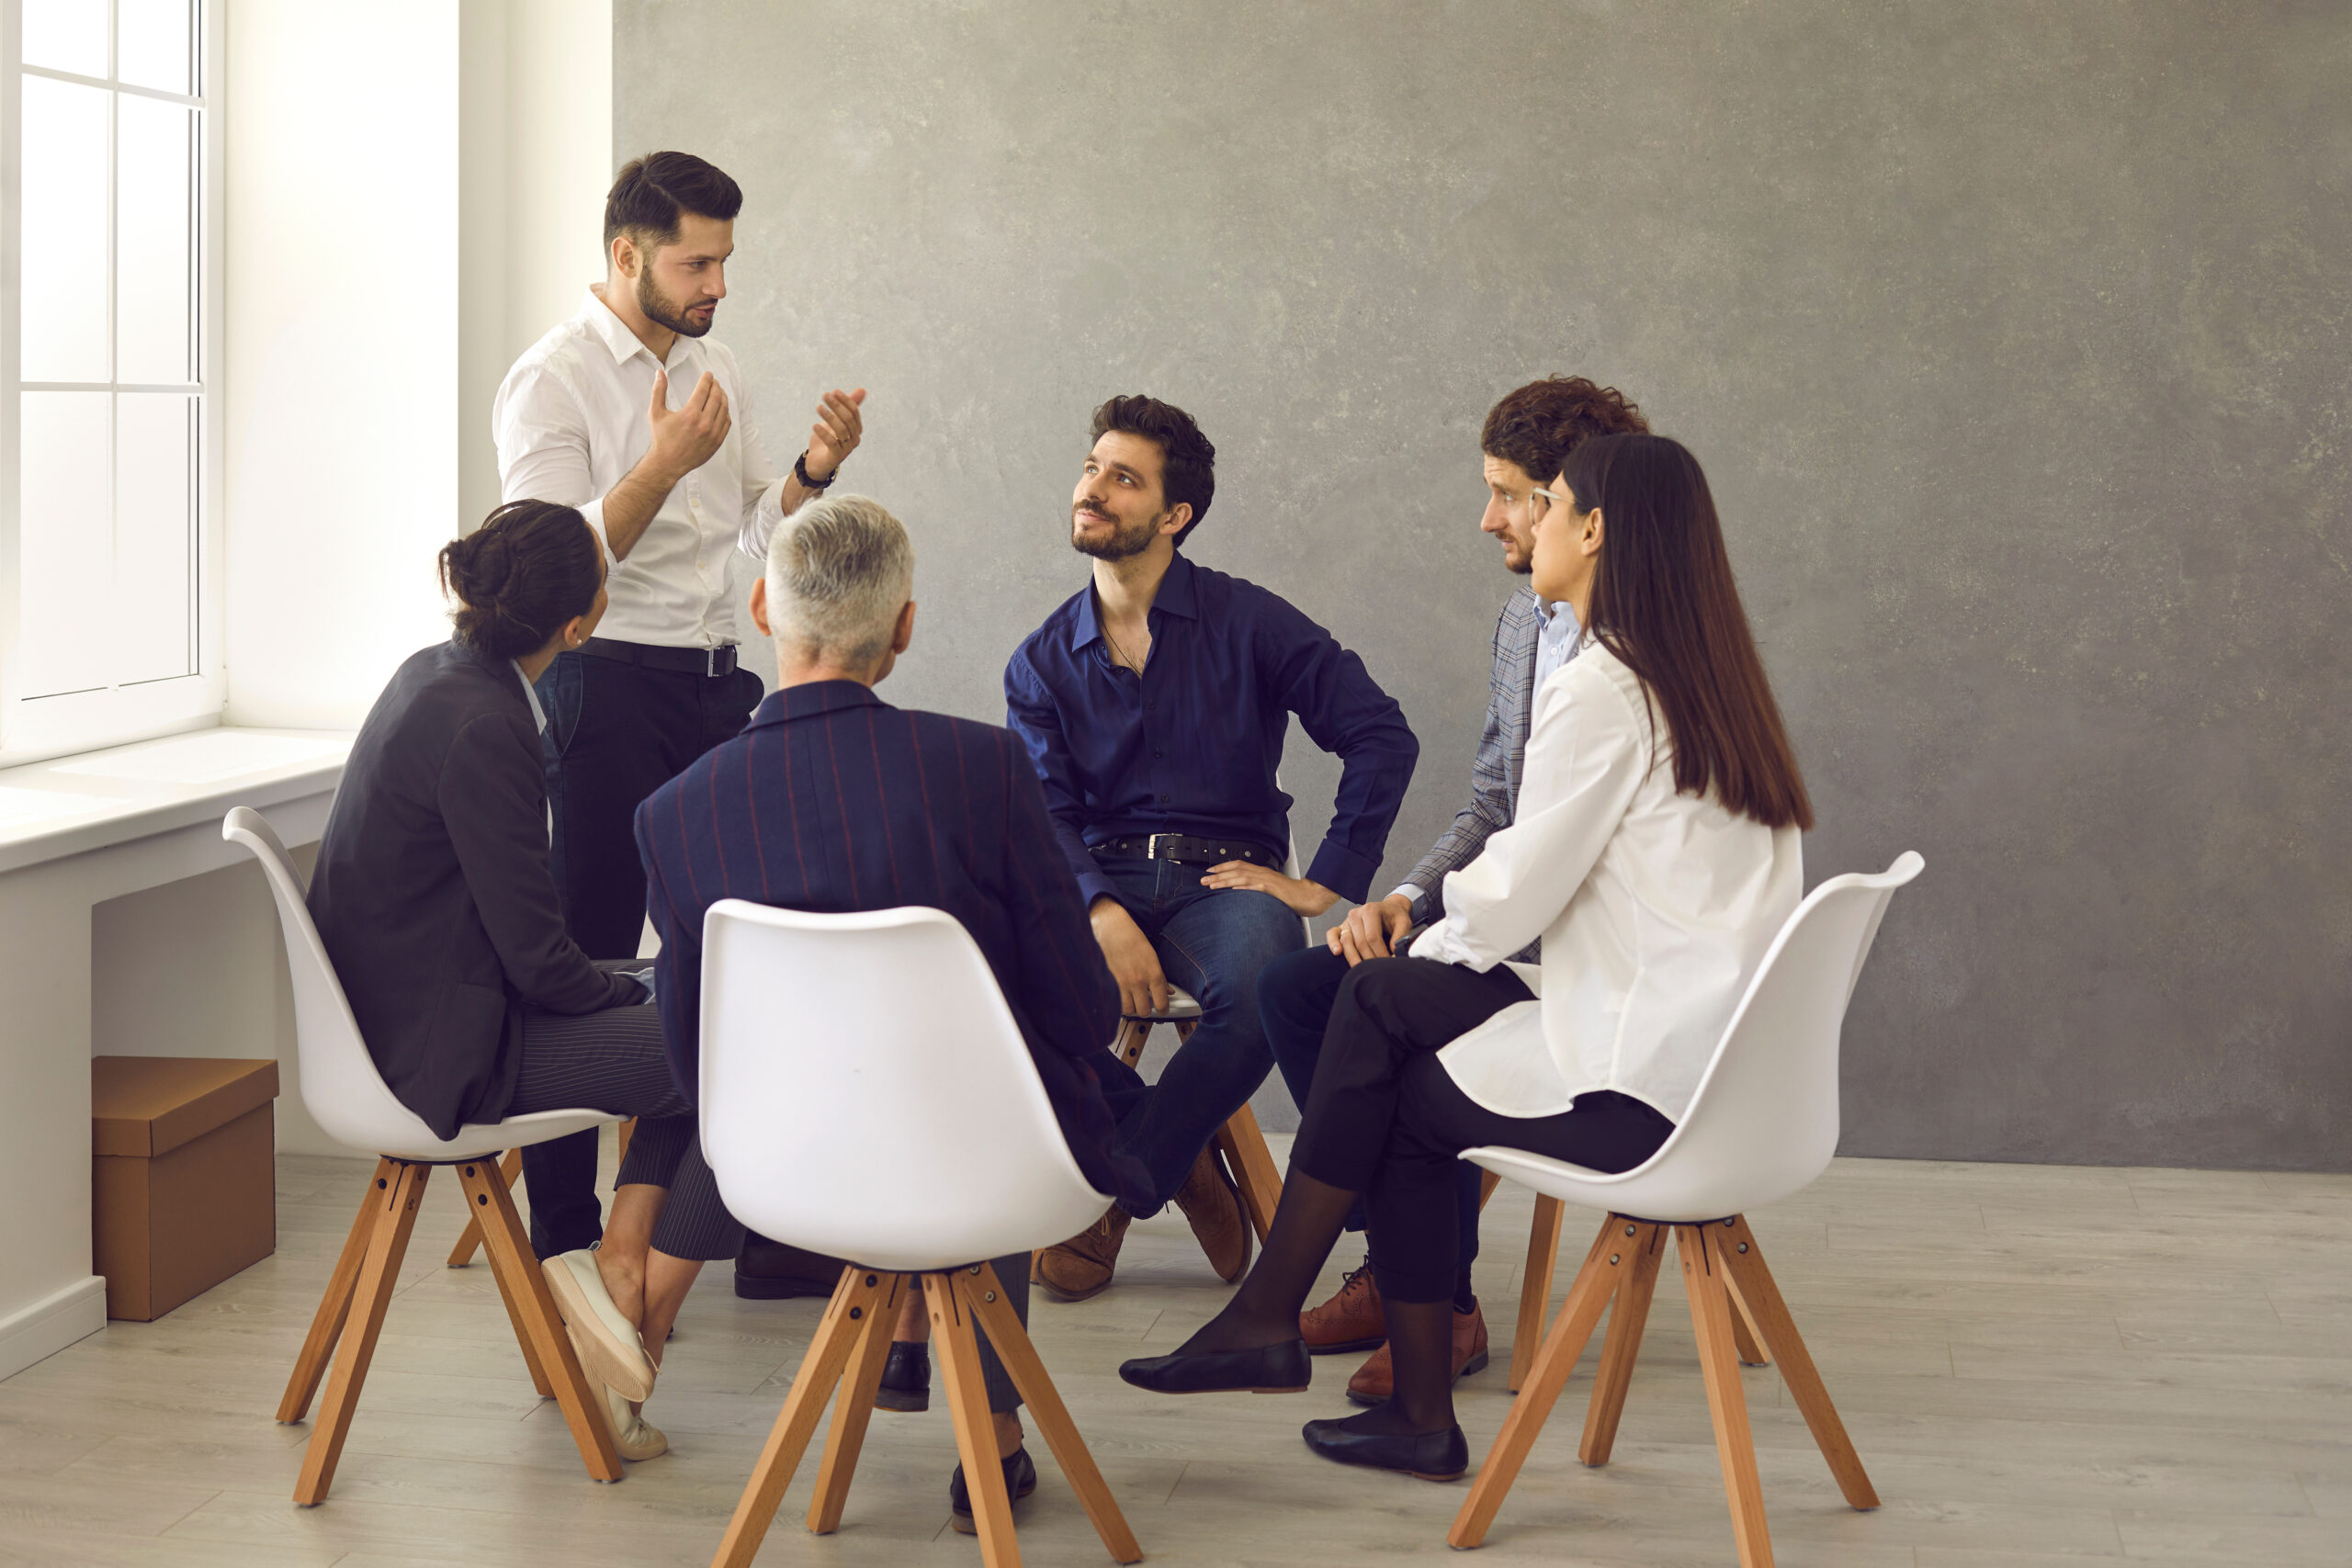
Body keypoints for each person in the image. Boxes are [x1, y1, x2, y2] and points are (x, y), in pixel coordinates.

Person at [1119, 433, 1815, 1483]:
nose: (1520, 524)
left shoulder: (1603, 687)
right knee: (1378, 1005)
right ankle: (1338, 1362)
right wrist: (1414, 945)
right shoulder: (1713, 680)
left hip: (1643, 1083)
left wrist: (1415, 938)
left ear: (1594, 529)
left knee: (1384, 1039)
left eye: (1546, 503)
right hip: (1718, 1066)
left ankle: (1337, 1358)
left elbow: (1513, 887)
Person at [634, 494, 1151, 1532]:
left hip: (789, 1175)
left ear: (761, 608)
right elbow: (1078, 1007)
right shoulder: (977, 768)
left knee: (974, 1090)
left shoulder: (674, 813)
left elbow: (691, 1064)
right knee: (1006, 1080)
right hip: (983, 1168)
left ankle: (917, 1348)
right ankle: (990, 1444)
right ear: (904, 628)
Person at [490, 151, 868, 1273]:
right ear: (626, 254)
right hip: (601, 680)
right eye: (694, 260)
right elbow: (544, 569)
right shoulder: (549, 382)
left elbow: (752, 532)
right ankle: (567, 1241)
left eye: (724, 260)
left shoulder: (720, 366)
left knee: (742, 945)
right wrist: (656, 466)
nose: (716, 282)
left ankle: (727, 1217)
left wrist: (809, 472)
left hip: (716, 683)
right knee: (590, 948)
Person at [306, 500, 742, 1464]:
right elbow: (539, 960)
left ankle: (617, 1266)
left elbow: (524, 944)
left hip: (419, 1011)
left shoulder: (439, 676)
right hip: (445, 1048)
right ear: (579, 627)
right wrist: (637, 991)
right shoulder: (483, 725)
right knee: (729, 1049)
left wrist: (637, 982)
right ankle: (628, 1294)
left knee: (695, 1016)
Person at [1257, 376, 1649, 1405]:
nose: (1491, 519)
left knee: (1372, 1010)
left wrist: (1435, 936)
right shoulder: (1527, 626)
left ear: (1582, 509)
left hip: (1569, 955)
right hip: (1513, 917)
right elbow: (1492, 806)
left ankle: (1421, 1292)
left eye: (1512, 495)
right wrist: (1404, 900)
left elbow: (1549, 861)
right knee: (1301, 990)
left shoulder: (1632, 663)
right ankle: (1405, 1268)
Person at [1007, 395, 1419, 1303]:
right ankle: (1179, 1148)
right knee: (997, 994)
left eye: (1124, 478)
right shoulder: (1039, 661)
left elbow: (1379, 733)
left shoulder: (1251, 622)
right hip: (1101, 871)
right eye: (1092, 468)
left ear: (1174, 515)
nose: (1093, 490)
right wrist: (1100, 908)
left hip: (1225, 877)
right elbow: (1042, 813)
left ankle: (1120, 1186)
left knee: (1269, 993)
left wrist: (1325, 883)